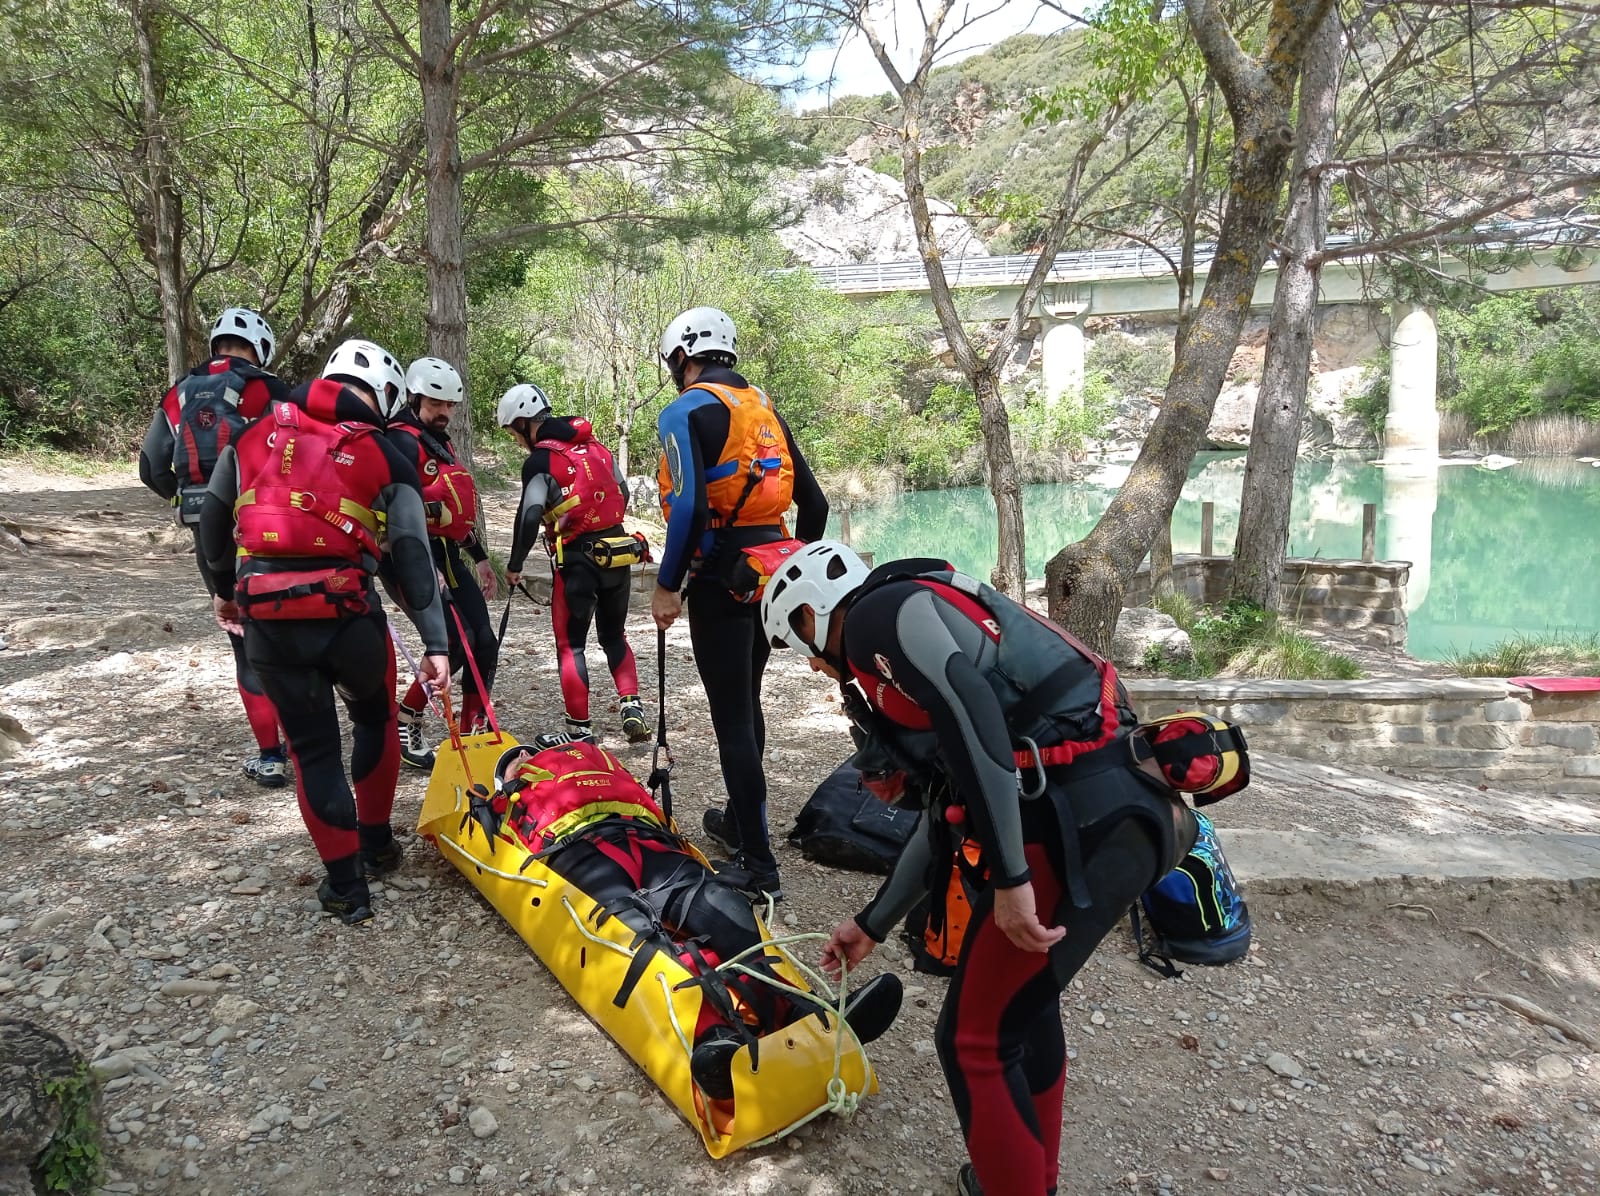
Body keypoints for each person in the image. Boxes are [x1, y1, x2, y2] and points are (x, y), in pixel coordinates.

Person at [761, 542, 1198, 1196]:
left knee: (974, 1041)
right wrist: (872, 924)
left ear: (812, 611)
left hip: (1079, 817)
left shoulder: (879, 615)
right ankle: (1024, 1178)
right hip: (1127, 811)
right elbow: (946, 809)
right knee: (1023, 1012)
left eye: (800, 642)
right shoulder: (917, 625)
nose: (818, 668)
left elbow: (972, 713)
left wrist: (1013, 879)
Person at [485, 733, 902, 1100]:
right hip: (574, 849)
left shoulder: (598, 763)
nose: (531, 756)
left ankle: (804, 1011)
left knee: (721, 905)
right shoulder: (517, 791)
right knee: (632, 930)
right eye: (518, 761)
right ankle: (714, 1036)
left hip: (647, 837)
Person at [198, 338, 451, 926]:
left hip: (269, 622)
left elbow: (213, 524)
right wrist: (435, 643)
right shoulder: (387, 452)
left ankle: (345, 889)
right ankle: (378, 844)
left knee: (312, 751)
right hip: (349, 620)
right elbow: (412, 556)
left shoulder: (254, 435)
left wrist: (221, 588)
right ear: (386, 395)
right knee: (375, 717)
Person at [651, 307, 828, 899]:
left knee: (730, 717)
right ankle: (737, 820)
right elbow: (816, 504)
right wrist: (796, 565)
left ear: (682, 357)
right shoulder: (763, 409)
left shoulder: (684, 410)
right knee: (745, 701)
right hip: (771, 573)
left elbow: (691, 509)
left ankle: (758, 864)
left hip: (719, 577)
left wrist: (666, 584)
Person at [139, 307, 290, 787]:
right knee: (288, 630)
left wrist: (191, 500)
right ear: (259, 348)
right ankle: (305, 738)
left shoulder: (178, 392)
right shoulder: (270, 389)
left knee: (242, 638)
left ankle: (270, 756)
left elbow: (151, 467)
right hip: (262, 526)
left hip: (207, 527)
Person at [498, 382, 648, 746]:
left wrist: (516, 563)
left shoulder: (540, 460)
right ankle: (632, 707)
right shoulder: (596, 448)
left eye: (514, 433)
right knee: (614, 636)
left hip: (578, 563)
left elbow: (530, 513)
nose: (517, 442)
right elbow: (623, 493)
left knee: (571, 646)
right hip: (618, 552)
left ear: (522, 423)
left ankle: (579, 731)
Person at [386, 357, 499, 767]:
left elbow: (452, 510)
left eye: (451, 405)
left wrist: (482, 559)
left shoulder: (440, 442)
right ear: (414, 398)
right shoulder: (399, 440)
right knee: (451, 641)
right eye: (437, 404)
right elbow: (400, 511)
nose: (445, 413)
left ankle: (473, 731)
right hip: (410, 558)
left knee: (483, 642)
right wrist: (419, 562)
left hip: (447, 555)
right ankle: (407, 716)